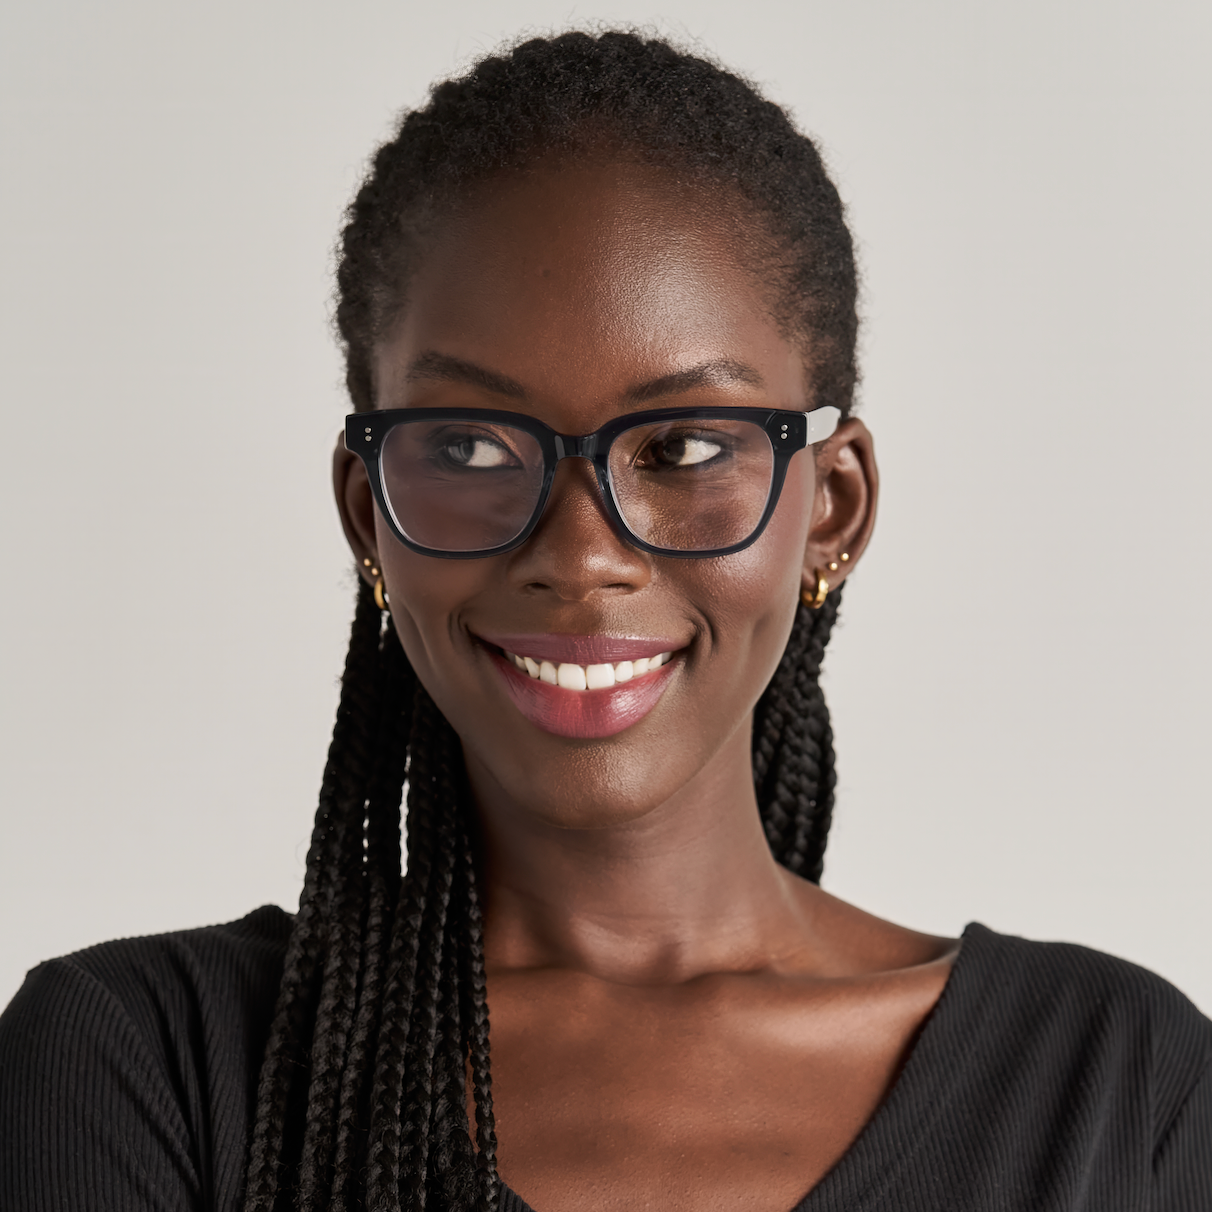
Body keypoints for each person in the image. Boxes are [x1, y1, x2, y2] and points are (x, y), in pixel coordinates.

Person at [1, 29, 1208, 1212]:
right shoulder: (142, 1064)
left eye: (683, 447)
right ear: (369, 513)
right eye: (469, 447)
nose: (580, 558)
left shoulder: (1120, 1084)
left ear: (832, 508)